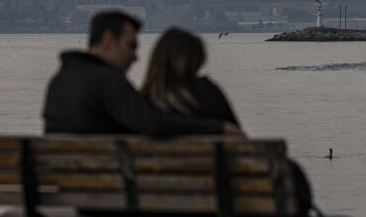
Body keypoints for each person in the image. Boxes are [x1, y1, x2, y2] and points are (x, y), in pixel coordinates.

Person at [43, 11, 242, 137]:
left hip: (69, 191)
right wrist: (218, 129)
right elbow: (151, 123)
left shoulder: (58, 82)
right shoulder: (108, 81)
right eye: (131, 46)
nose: (136, 57)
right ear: (108, 41)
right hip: (107, 196)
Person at [141, 27, 241, 217]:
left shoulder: (144, 101)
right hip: (214, 198)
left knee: (179, 201)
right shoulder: (207, 92)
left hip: (161, 200)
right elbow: (241, 143)